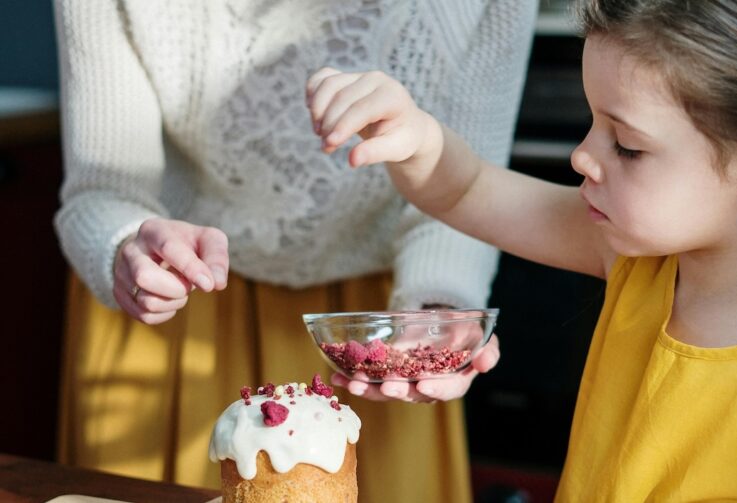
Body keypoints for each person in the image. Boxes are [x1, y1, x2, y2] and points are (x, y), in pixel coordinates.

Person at [52, 0, 537, 501]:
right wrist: (126, 247)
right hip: (173, 308)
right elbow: (101, 189)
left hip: (379, 326)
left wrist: (435, 316)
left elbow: (467, 186)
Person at [307, 0, 737, 499]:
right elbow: (468, 191)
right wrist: (415, 137)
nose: (582, 155)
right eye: (593, 122)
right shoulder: (636, 260)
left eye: (628, 146)